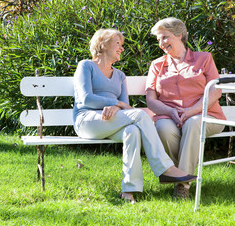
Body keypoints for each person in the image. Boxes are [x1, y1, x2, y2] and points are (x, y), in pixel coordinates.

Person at [73, 28, 196, 203]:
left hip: (112, 121)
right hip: (87, 121)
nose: (121, 48)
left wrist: (118, 107)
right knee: (139, 115)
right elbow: (86, 99)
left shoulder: (120, 76)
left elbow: (126, 107)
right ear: (102, 44)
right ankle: (165, 169)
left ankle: (129, 190)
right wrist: (115, 104)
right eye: (117, 43)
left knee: (132, 130)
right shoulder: (86, 66)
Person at [145, 17, 225, 199]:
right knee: (163, 128)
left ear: (179, 35)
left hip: (206, 115)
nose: (161, 44)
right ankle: (182, 175)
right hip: (169, 117)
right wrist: (170, 112)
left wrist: (191, 111)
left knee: (193, 123)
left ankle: (182, 185)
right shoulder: (157, 65)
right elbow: (151, 100)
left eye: (164, 37)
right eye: (158, 39)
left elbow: (216, 91)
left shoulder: (204, 59)